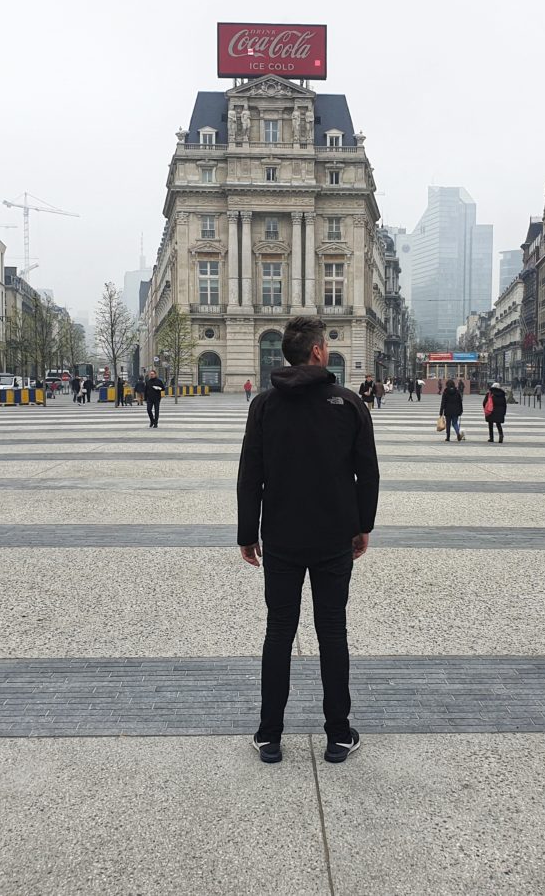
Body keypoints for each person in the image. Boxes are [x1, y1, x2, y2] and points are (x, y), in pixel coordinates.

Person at [237, 316, 379, 765]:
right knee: (332, 631)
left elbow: (249, 476)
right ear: (319, 352)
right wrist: (363, 525)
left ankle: (269, 735)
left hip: (280, 537)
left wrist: (247, 533)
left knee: (279, 632)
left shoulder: (263, 405)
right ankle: (338, 734)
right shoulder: (349, 403)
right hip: (334, 536)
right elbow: (367, 474)